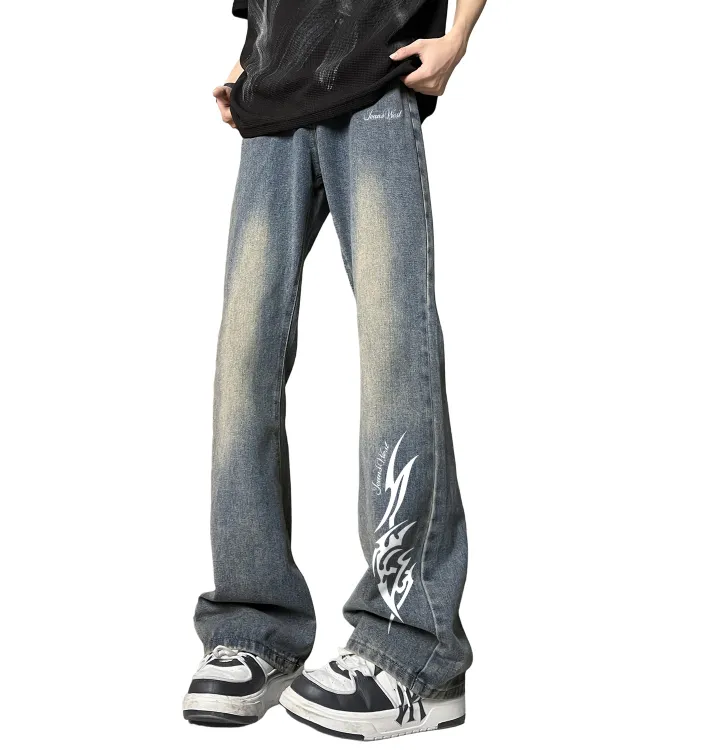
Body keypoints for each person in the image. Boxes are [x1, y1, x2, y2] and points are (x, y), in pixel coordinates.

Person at [183, 0, 487, 740]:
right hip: (272, 98)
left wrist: (457, 37)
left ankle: (415, 651)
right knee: (243, 362)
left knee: (394, 350)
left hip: (376, 79)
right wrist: (250, 55)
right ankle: (254, 628)